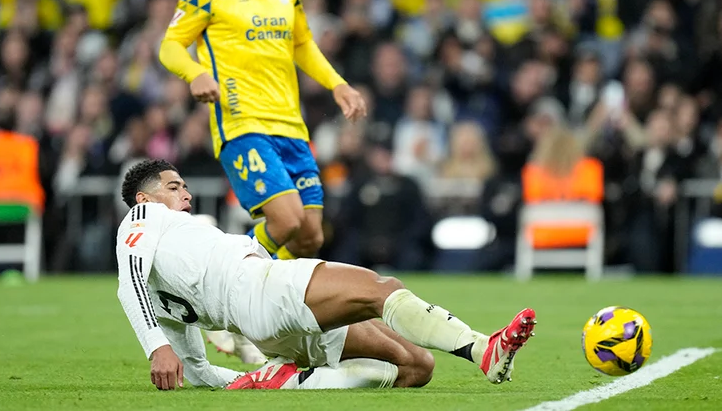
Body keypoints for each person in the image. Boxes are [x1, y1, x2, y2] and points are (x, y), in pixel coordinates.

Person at [115, 159, 536, 391]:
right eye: (173, 187)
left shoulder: (164, 284)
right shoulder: (142, 218)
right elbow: (128, 280)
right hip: (262, 290)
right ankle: (484, 350)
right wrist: (156, 348)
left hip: (262, 323)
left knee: (416, 367)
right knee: (382, 288)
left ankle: (286, 379)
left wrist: (241, 380)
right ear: (143, 198)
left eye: (184, 186)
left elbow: (200, 370)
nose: (185, 193)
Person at [158, 0, 367, 262]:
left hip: (291, 125)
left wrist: (338, 83)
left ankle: (265, 307)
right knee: (286, 221)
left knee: (310, 237)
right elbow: (171, 45)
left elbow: (302, 45)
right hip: (242, 124)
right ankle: (225, 284)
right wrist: (195, 74)